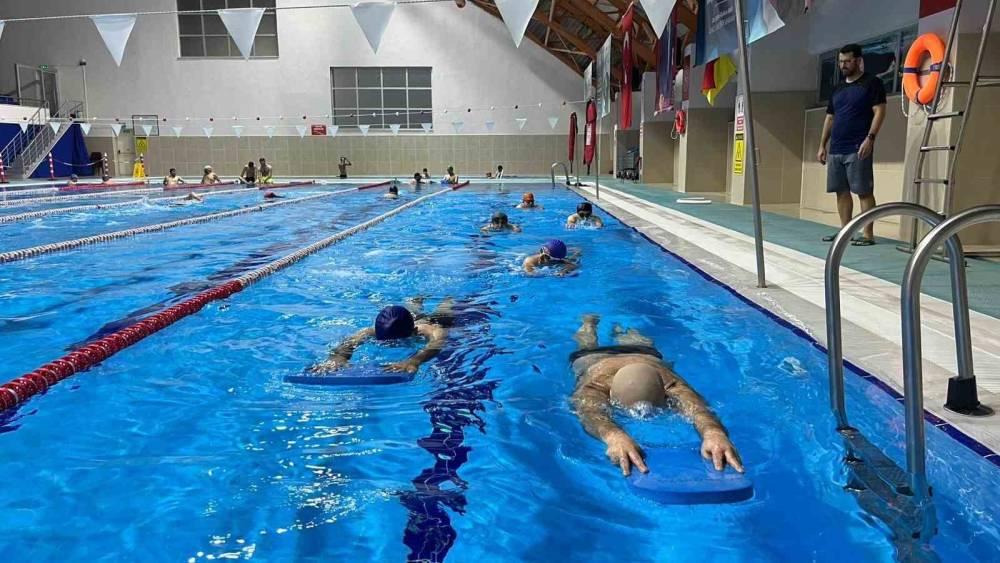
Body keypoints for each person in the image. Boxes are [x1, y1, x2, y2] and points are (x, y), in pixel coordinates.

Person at [570, 314, 743, 477]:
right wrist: (615, 437)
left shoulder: (669, 382)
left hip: (639, 354)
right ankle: (594, 324)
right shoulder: (595, 385)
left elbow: (699, 410)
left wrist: (714, 433)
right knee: (593, 343)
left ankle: (591, 323)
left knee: (589, 342)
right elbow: (589, 412)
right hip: (597, 357)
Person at [817, 43, 887, 247]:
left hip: (858, 146)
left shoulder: (871, 83)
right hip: (836, 148)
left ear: (858, 61)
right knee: (841, 191)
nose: (843, 65)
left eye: (847, 61)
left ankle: (868, 234)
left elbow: (880, 111)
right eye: (840, 62)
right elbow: (830, 118)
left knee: (863, 191)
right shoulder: (838, 88)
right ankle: (845, 231)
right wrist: (822, 145)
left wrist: (870, 138)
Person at [309, 298, 453, 375]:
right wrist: (337, 358)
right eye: (386, 342)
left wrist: (414, 361)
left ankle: (449, 296)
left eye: (397, 342)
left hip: (435, 320)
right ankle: (418, 298)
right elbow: (349, 342)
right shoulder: (370, 332)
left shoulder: (433, 330)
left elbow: (436, 344)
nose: (392, 346)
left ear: (414, 332)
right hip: (408, 321)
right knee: (413, 306)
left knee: (445, 309)